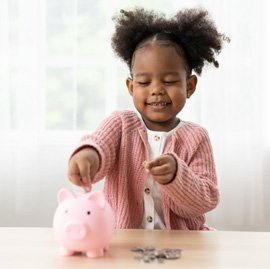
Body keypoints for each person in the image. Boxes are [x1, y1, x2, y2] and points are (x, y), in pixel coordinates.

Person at [68, 7, 229, 230]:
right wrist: (88, 155)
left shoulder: (196, 137)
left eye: (170, 81)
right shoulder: (120, 124)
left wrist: (176, 175)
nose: (156, 90)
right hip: (124, 242)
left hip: (184, 245)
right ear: (131, 87)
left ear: (189, 86)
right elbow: (99, 145)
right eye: (144, 83)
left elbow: (205, 201)